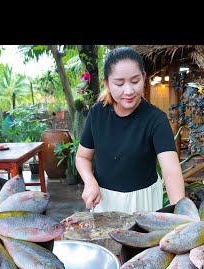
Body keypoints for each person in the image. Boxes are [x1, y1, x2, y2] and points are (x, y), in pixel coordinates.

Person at [75, 47, 185, 214]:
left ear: (144, 77)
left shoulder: (156, 119)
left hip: (144, 202)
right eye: (119, 83)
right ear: (107, 84)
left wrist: (181, 214)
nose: (129, 91)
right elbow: (83, 157)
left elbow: (171, 172)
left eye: (135, 81)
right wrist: (90, 182)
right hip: (104, 201)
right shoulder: (97, 114)